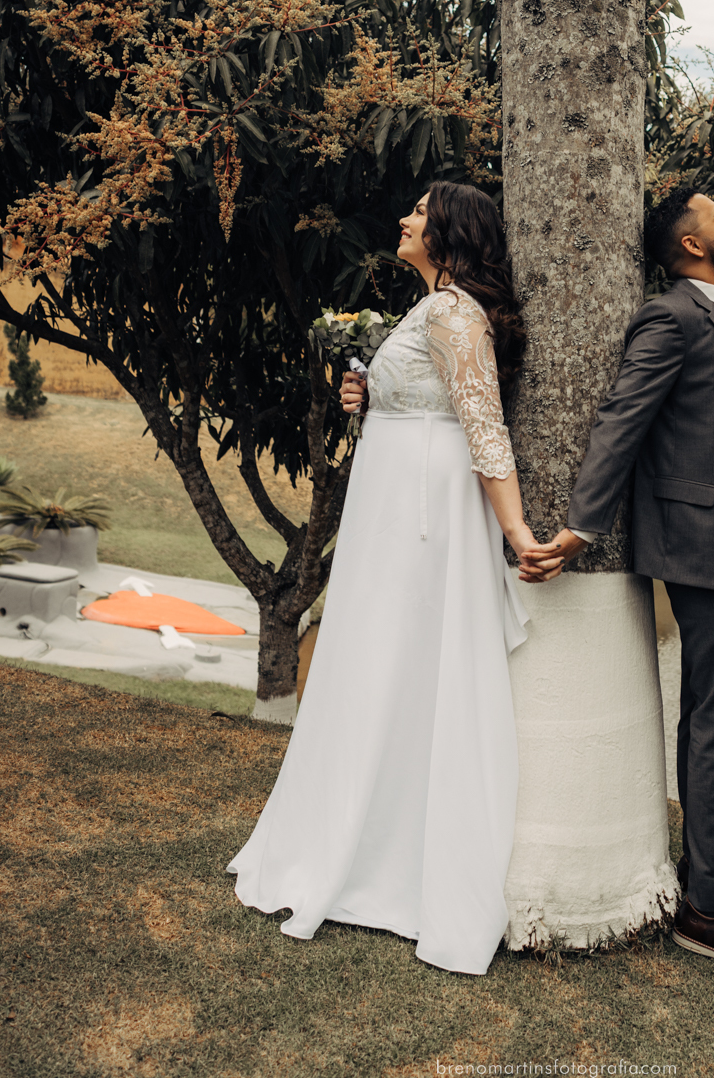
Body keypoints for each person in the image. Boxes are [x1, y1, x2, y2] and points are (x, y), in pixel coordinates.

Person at [227, 182, 547, 974]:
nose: (405, 219)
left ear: (450, 234)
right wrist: (368, 392)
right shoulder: (428, 308)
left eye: (420, 211)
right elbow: (425, 395)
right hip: (394, 501)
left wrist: (515, 532)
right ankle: (359, 831)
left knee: (403, 666)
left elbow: (483, 424)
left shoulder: (454, 313)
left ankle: (393, 858)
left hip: (423, 514)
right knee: (378, 666)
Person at [523, 186, 714, 979]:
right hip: (703, 546)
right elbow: (622, 418)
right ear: (690, 245)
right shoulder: (673, 318)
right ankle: (711, 909)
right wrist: (582, 526)